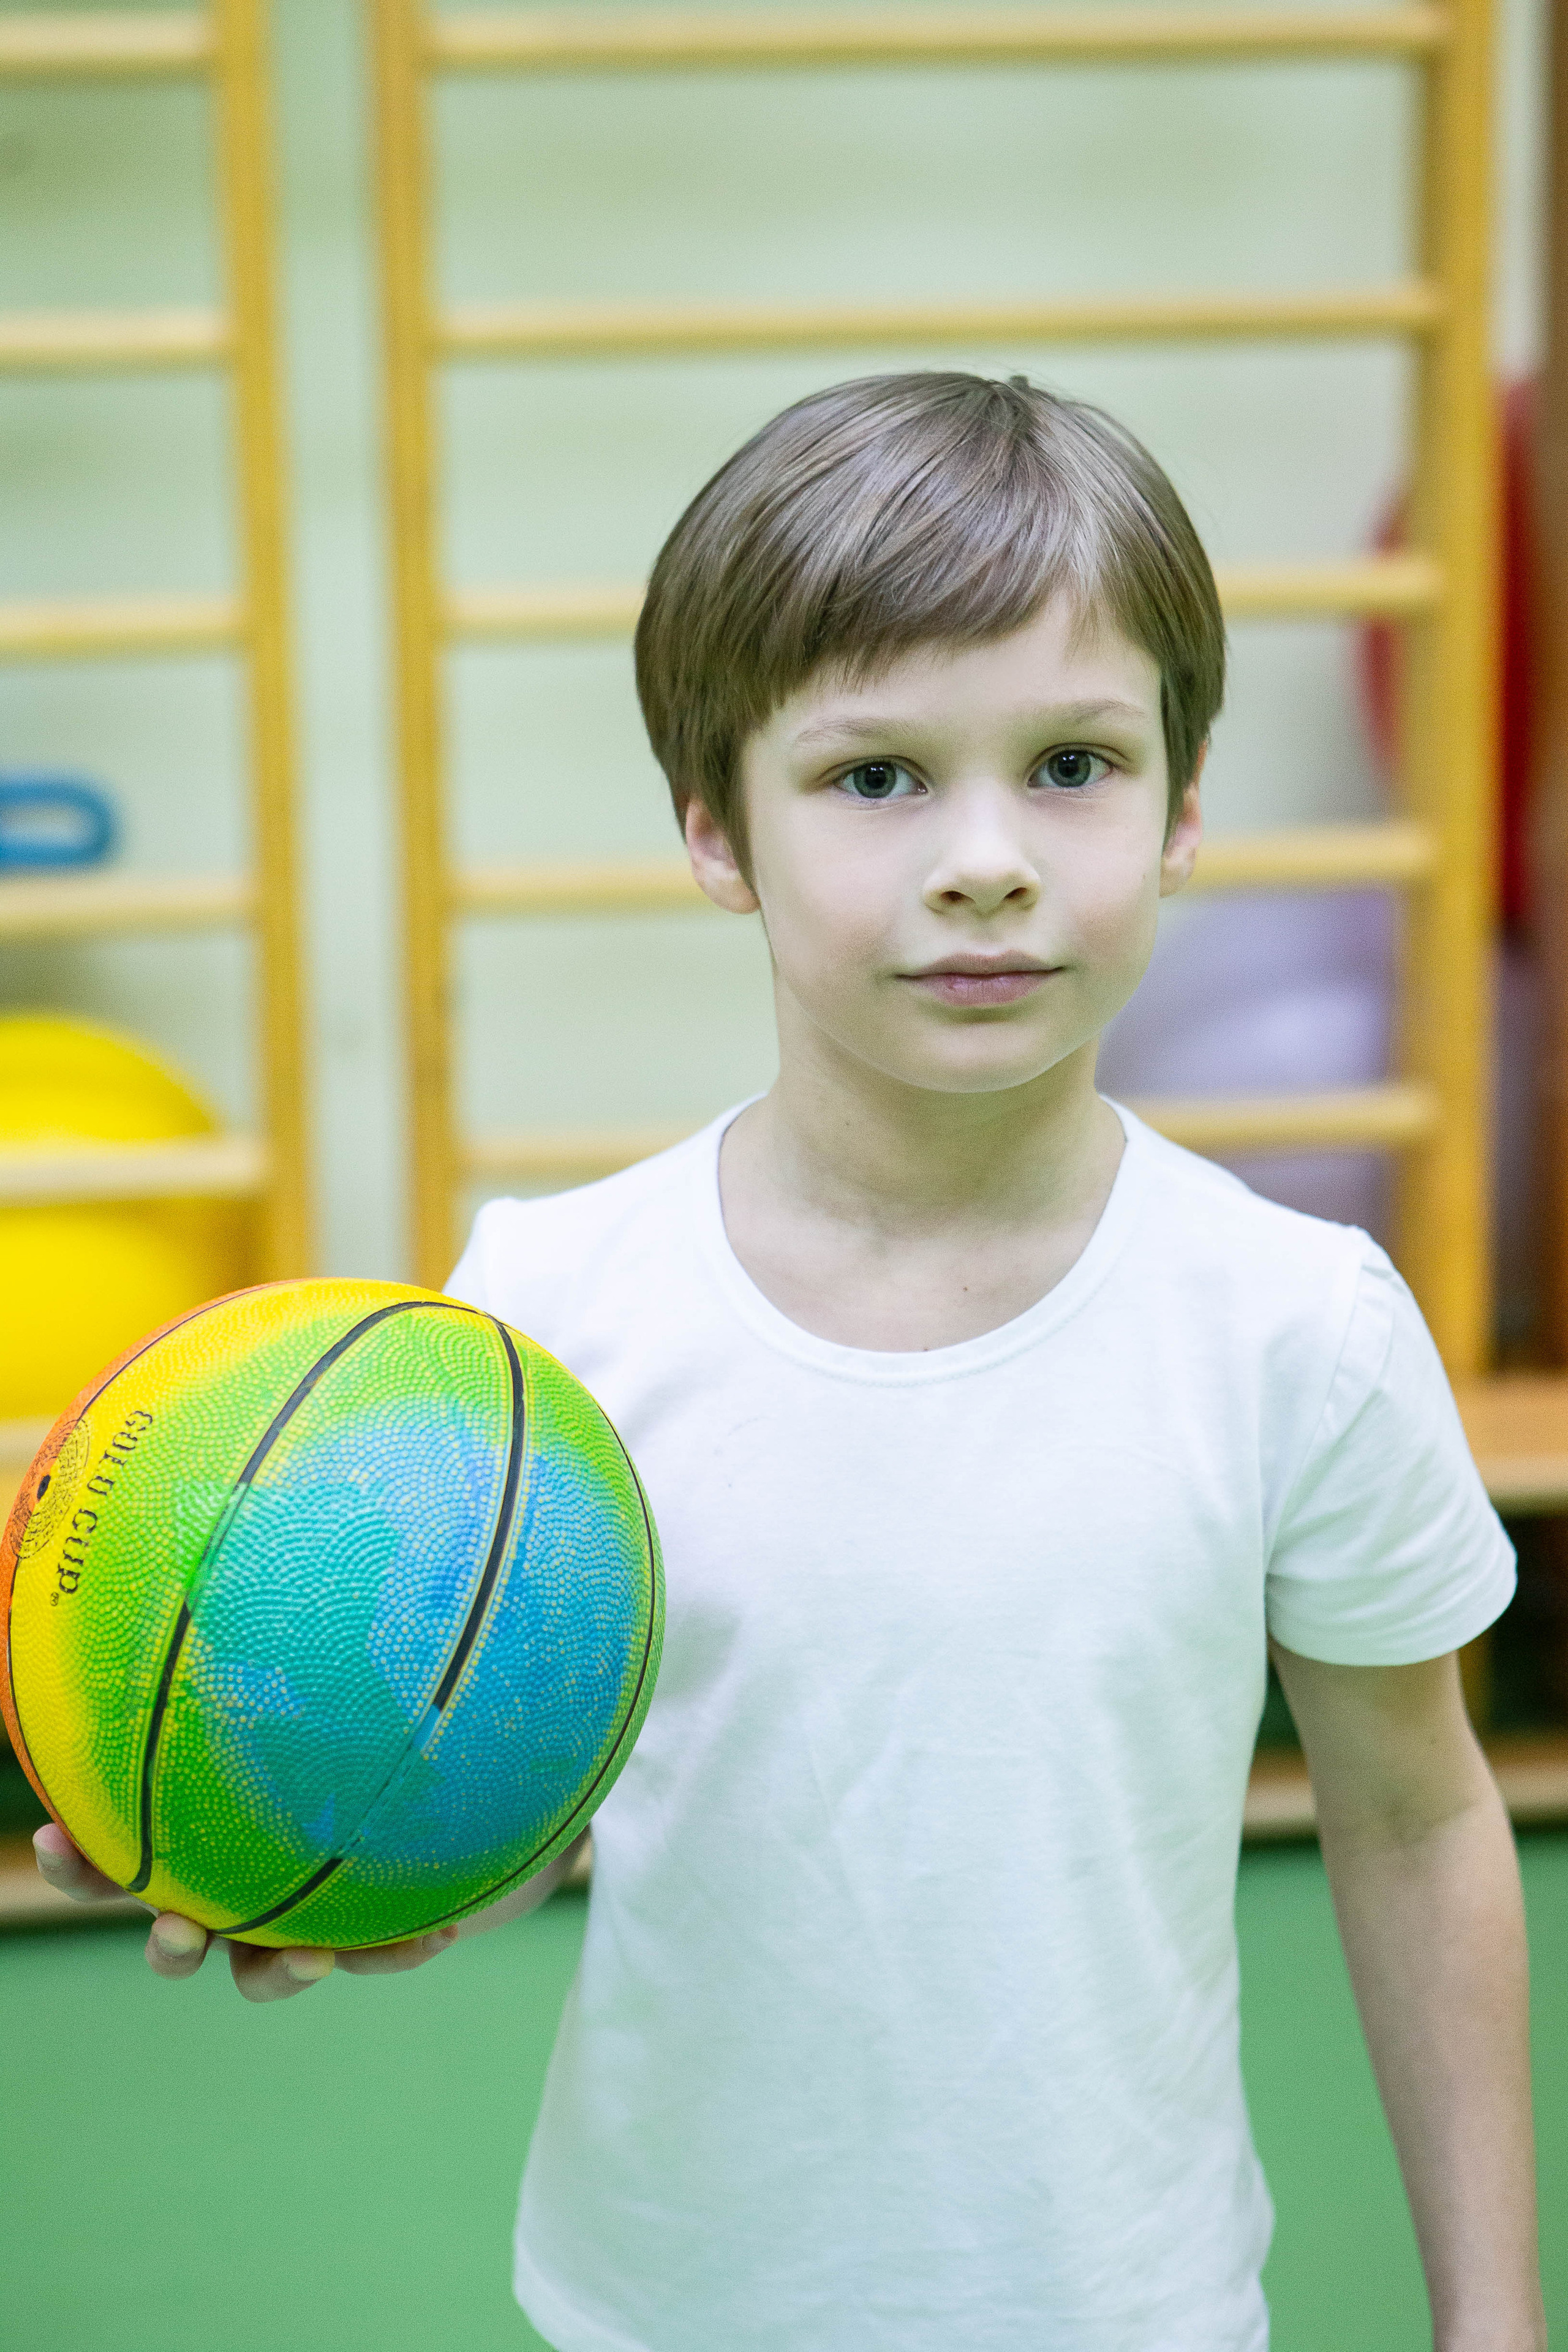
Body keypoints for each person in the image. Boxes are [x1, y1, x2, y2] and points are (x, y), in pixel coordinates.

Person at [39, 373, 1544, 2352]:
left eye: (1073, 764)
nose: (987, 858)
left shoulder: (1299, 1326)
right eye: (877, 777)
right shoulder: (543, 1329)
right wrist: (347, 1862)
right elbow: (539, 1793)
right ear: (714, 829)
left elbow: (1421, 1820)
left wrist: (1494, 2318)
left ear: (1186, 807)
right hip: (664, 2308)